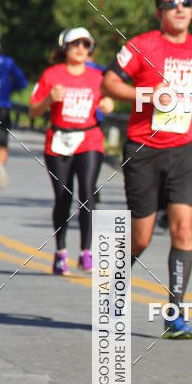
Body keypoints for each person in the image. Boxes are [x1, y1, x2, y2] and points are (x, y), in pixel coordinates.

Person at [102, 0, 192, 339]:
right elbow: (110, 83)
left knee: (183, 227)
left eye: (186, 2)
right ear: (160, 12)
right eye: (172, 3)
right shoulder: (141, 45)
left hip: (186, 150)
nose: (180, 8)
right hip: (143, 150)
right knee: (140, 237)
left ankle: (174, 313)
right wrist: (146, 94)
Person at [30, 28, 114, 274]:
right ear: (64, 48)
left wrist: (108, 103)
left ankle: (86, 252)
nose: (80, 48)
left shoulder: (98, 76)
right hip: (58, 141)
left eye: (85, 44)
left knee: (87, 192)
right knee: (63, 198)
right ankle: (60, 251)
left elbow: (108, 99)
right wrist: (48, 101)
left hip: (89, 139)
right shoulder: (51, 74)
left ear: (90, 49)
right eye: (75, 44)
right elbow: (33, 111)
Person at [0, 31, 28, 189]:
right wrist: (7, 90)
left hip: (1, 107)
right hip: (2, 106)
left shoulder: (8, 62)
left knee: (0, 142)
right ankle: (0, 170)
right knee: (1, 143)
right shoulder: (7, 62)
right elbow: (22, 82)